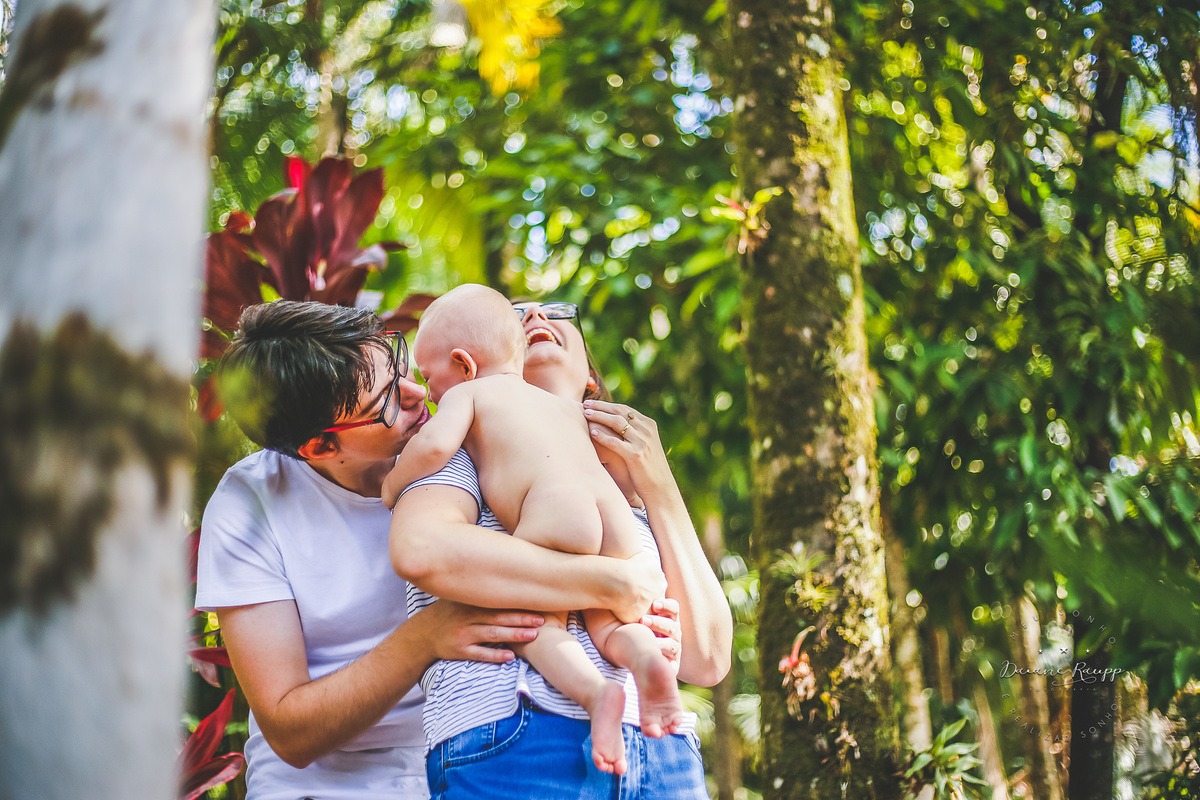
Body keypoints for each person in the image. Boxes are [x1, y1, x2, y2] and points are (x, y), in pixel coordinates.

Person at [194, 300, 674, 800]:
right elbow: (289, 731)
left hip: (468, 756)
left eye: (399, 363)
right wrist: (427, 635)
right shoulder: (249, 502)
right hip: (324, 787)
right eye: (385, 402)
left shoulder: (474, 441)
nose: (418, 392)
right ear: (319, 447)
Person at [392, 298, 733, 799]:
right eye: (516, 312)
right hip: (516, 733)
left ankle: (612, 688)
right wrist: (611, 584)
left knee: (547, 624)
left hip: (662, 753)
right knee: (597, 620)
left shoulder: (628, 484)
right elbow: (421, 549)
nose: (535, 317)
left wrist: (658, 484)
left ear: (590, 377)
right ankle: (612, 683)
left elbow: (707, 660)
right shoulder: (462, 451)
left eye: (555, 312)